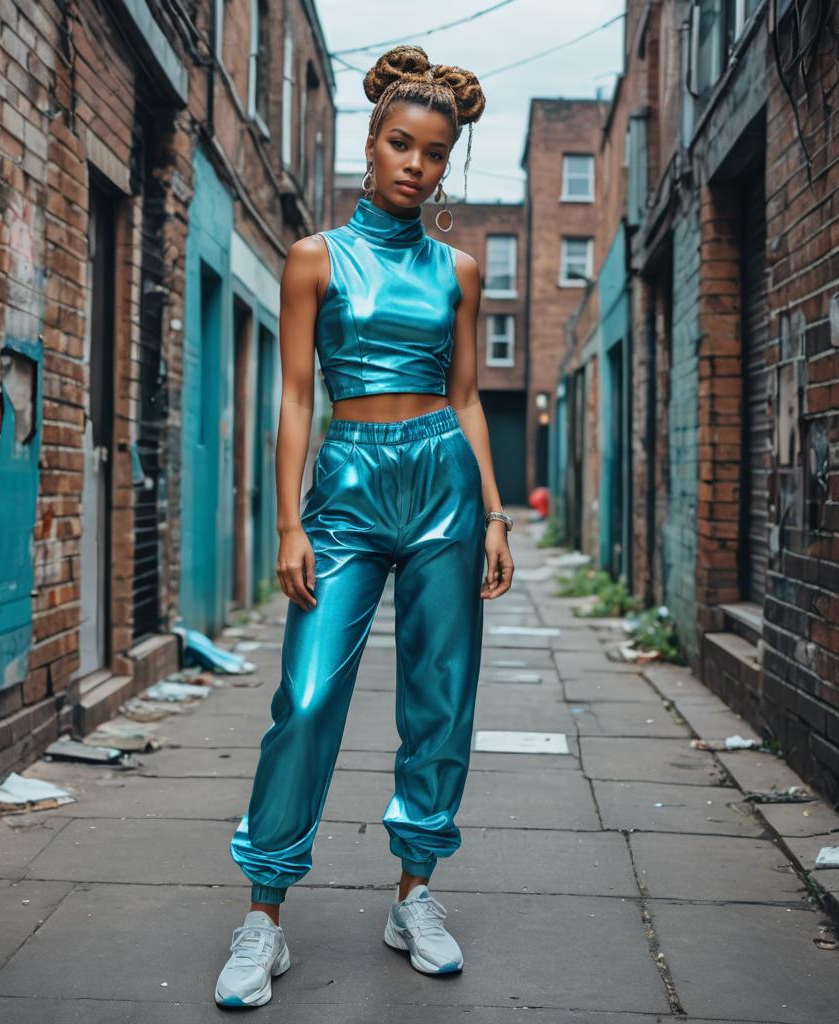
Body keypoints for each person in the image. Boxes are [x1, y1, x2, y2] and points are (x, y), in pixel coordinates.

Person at [214, 43, 514, 1008]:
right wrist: (290, 523)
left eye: (433, 153)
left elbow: (468, 398)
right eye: (399, 144)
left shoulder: (459, 273)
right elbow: (295, 401)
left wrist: (496, 516)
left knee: (441, 695)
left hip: (444, 486)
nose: (413, 166)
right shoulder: (315, 259)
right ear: (370, 143)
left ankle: (414, 896)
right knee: (305, 696)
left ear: (446, 163)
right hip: (346, 485)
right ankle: (263, 915)